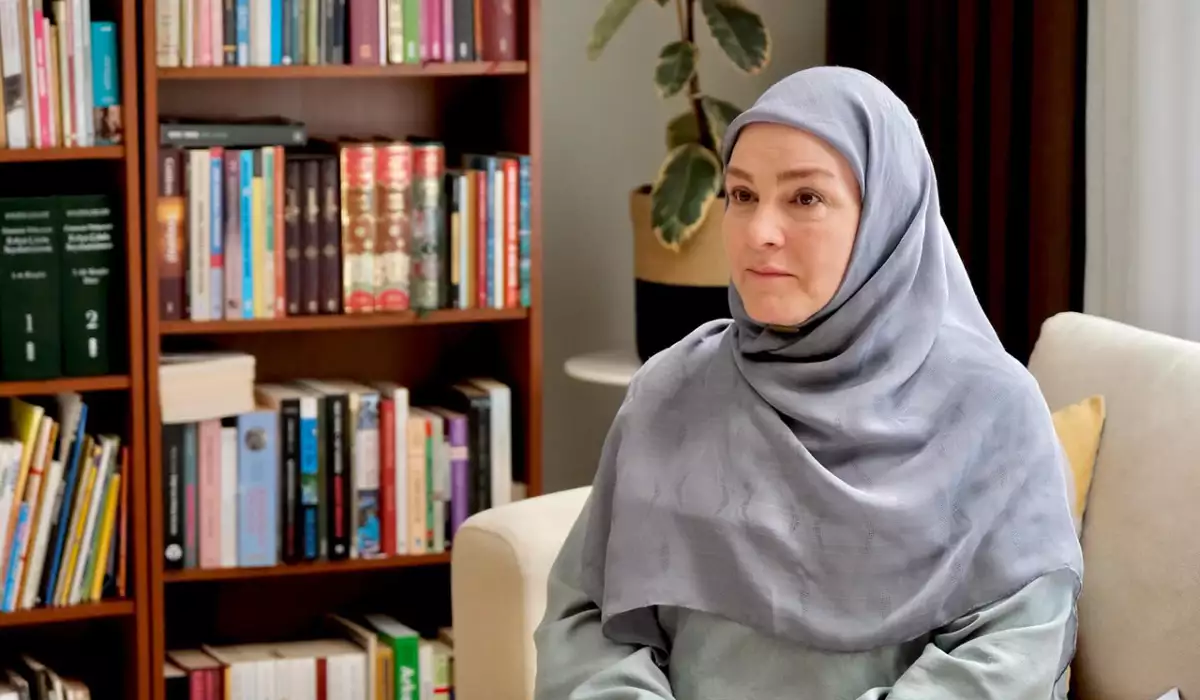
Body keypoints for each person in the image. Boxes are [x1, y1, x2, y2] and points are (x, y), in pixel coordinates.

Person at [532, 66, 1083, 699]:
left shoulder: (991, 407)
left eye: (805, 199)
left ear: (885, 218)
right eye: (742, 195)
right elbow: (588, 619)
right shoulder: (673, 390)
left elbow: (1013, 648)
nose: (759, 232)